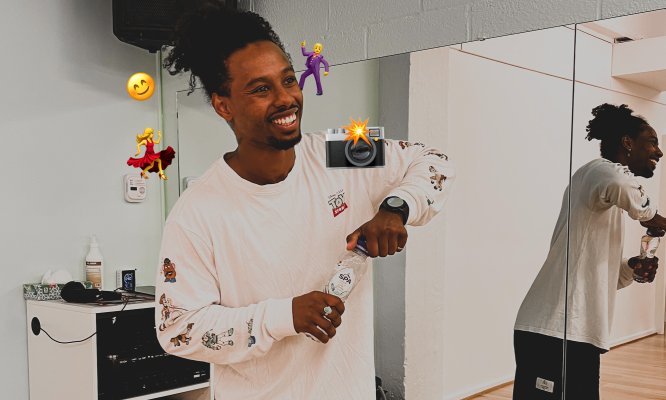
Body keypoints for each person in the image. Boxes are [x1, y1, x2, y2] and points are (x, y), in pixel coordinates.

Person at [155, 2, 455, 399]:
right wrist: (284, 316)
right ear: (223, 104)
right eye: (261, 89)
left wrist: (396, 208)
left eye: (288, 80)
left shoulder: (338, 151)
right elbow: (178, 330)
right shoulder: (198, 209)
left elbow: (432, 159)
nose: (286, 98)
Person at [513, 103, 666, 400]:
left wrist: (631, 267)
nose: (658, 152)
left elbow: (606, 277)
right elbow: (621, 184)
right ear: (627, 142)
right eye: (652, 142)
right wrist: (653, 217)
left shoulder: (603, 199)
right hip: (553, 330)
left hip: (576, 334)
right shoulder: (598, 171)